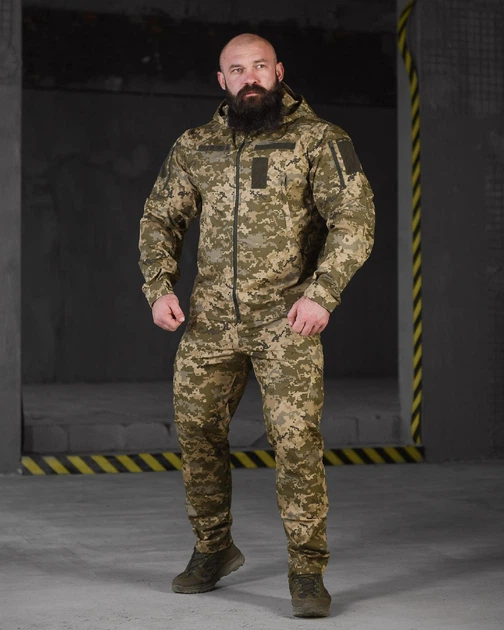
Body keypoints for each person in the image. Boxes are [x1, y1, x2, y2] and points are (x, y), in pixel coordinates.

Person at [138, 33, 375, 618]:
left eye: (260, 66)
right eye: (237, 68)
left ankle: (307, 571)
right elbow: (160, 217)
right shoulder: (196, 145)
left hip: (287, 321)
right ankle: (213, 548)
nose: (250, 77)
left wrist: (322, 294)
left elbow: (354, 220)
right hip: (210, 321)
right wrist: (159, 287)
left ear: (279, 71)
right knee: (197, 433)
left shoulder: (319, 139)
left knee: (295, 443)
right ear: (221, 80)